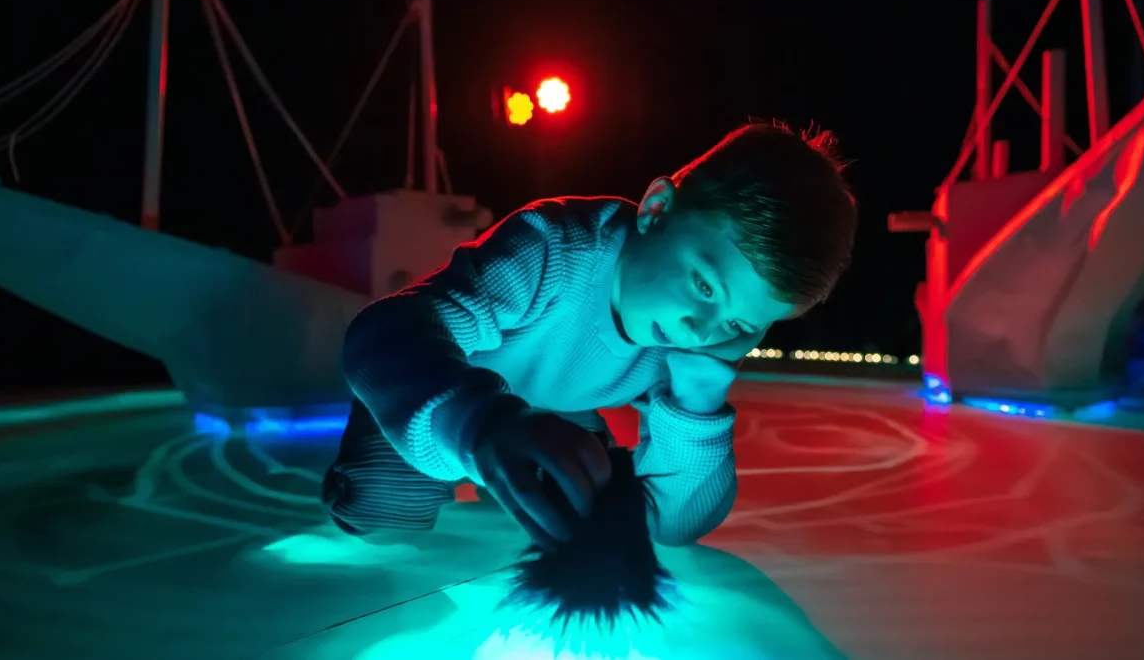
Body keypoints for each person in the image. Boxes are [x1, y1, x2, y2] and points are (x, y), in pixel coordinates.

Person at [322, 122, 857, 547]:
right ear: (656, 209)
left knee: (595, 517)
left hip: (556, 411)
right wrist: (483, 425)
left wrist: (698, 402)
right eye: (703, 284)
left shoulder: (685, 342)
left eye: (741, 325)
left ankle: (510, 458)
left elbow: (675, 526)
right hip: (441, 381)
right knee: (380, 511)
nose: (702, 331)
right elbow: (383, 330)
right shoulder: (554, 249)